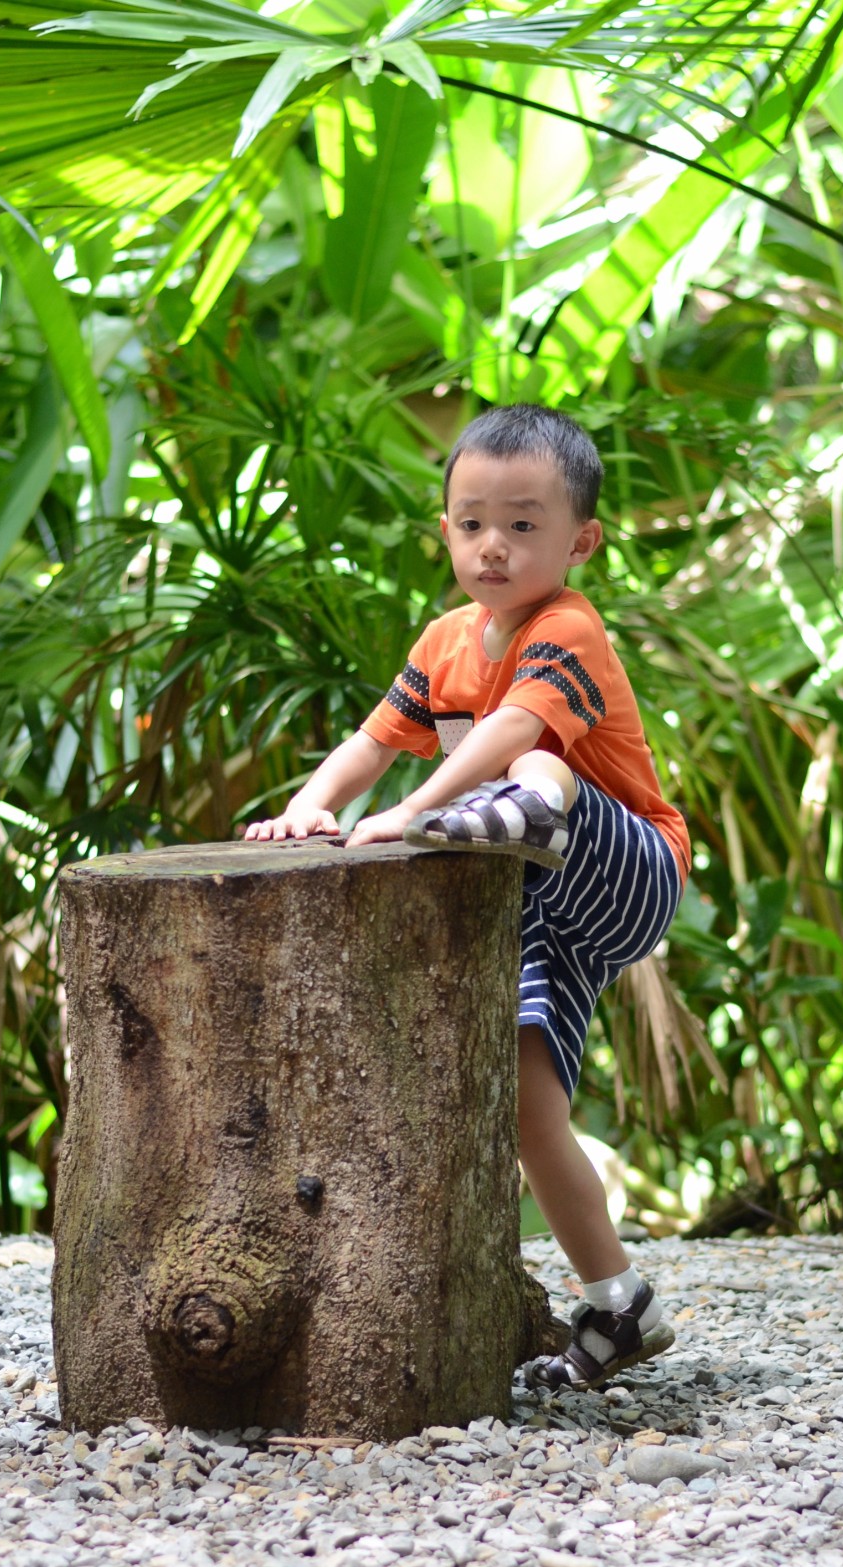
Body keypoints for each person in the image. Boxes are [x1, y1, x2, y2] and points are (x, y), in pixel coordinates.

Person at [246, 404, 690, 1390]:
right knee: (531, 1113)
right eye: (473, 521)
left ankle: (525, 815)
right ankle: (621, 1303)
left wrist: (415, 813)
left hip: (627, 872)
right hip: (532, 912)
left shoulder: (568, 627)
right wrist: (309, 807)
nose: (496, 544)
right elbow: (372, 740)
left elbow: (503, 738)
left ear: (582, 540)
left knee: (538, 761)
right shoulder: (446, 640)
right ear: (444, 528)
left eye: (525, 524)